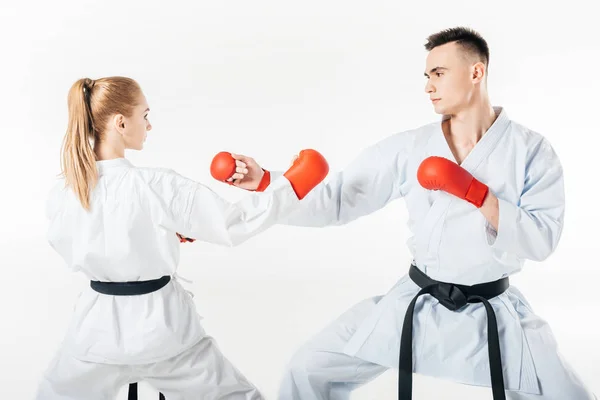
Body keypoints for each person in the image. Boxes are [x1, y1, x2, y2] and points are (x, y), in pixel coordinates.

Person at [215, 27, 597, 400]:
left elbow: (542, 239)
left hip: (493, 313)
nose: (428, 86)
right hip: (418, 304)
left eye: (439, 73)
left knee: (568, 394)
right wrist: (268, 183)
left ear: (476, 72)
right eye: (427, 75)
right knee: (308, 368)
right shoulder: (411, 147)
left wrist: (476, 194)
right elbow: (337, 200)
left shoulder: (530, 150)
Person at [36, 76, 329, 400]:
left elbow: (66, 244)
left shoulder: (65, 192)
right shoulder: (157, 186)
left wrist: (146, 238)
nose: (149, 126)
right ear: (121, 123)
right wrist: (292, 186)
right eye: (144, 116)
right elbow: (233, 225)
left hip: (94, 335)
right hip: (163, 334)